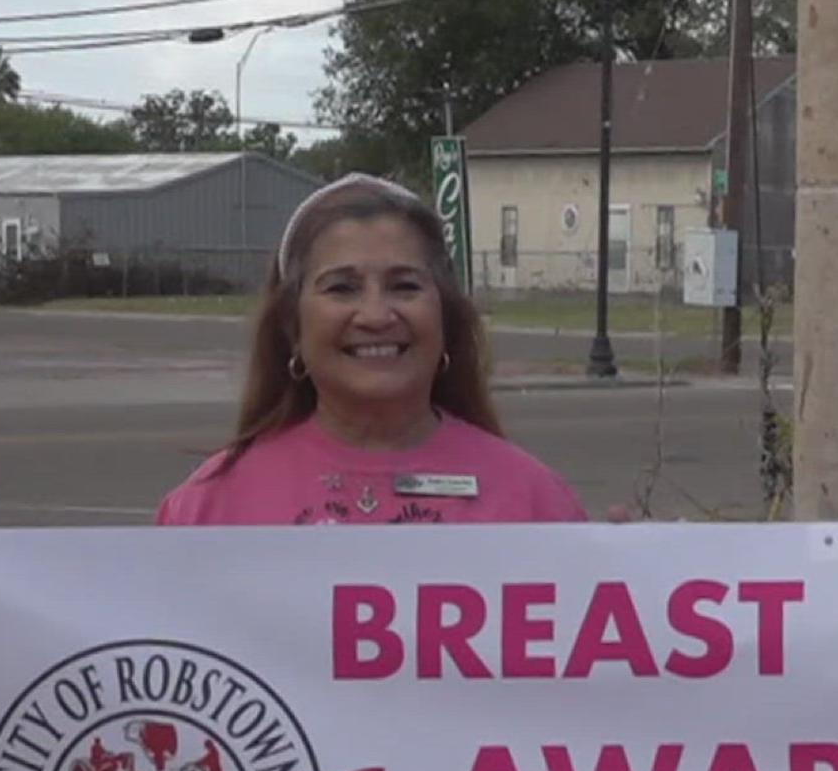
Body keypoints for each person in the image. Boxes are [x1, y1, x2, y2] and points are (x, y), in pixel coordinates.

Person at [155, 172, 587, 526]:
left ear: (445, 315)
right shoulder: (206, 511)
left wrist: (626, 563)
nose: (376, 315)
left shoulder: (537, 503)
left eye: (404, 286)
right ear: (293, 324)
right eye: (342, 288)